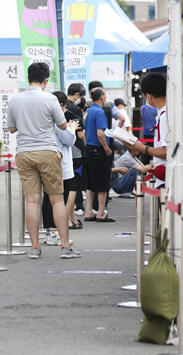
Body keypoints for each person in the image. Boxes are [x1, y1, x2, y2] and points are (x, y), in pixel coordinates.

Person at [7, 62, 78, 259]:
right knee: (57, 201)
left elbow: (12, 129)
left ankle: (35, 248)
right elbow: (63, 126)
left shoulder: (15, 100)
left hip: (24, 153)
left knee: (32, 200)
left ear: (28, 77)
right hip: (47, 151)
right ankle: (65, 247)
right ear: (46, 80)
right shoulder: (50, 99)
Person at [41, 91, 79, 245]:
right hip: (60, 165)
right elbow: (69, 140)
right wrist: (72, 128)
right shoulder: (58, 120)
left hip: (49, 162)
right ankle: (53, 233)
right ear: (62, 105)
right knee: (57, 201)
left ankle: (50, 233)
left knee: (48, 200)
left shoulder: (45, 118)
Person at [83, 88, 115, 222]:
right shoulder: (100, 112)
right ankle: (101, 212)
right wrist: (107, 148)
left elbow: (84, 133)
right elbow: (100, 133)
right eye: (105, 95)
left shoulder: (87, 111)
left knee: (90, 183)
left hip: (89, 148)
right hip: (98, 149)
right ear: (102, 97)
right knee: (102, 182)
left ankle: (89, 211)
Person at [65, 83, 86, 229]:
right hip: (75, 151)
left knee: (65, 187)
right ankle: (65, 218)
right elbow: (81, 134)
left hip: (62, 151)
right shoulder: (75, 110)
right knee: (73, 188)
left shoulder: (57, 106)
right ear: (77, 95)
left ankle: (73, 218)